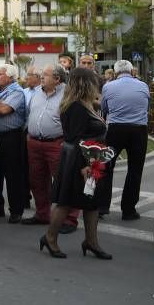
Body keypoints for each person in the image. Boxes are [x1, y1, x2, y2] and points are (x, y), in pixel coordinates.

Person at [40, 67, 111, 260]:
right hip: (81, 162)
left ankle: (91, 241)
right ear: (86, 84)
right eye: (94, 82)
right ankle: (50, 237)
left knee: (91, 202)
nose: (98, 85)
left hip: (89, 160)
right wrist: (85, 165)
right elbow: (77, 138)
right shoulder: (77, 107)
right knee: (66, 202)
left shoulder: (82, 104)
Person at [98, 60, 150, 221]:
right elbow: (147, 107)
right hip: (139, 130)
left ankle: (102, 206)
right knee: (135, 170)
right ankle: (128, 210)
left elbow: (104, 109)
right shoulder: (143, 85)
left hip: (116, 129)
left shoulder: (108, 87)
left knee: (106, 167)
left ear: (115, 73)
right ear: (131, 71)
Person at [23, 64, 69, 226]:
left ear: (57, 79)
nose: (41, 77)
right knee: (37, 180)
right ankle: (42, 214)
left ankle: (69, 220)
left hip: (57, 143)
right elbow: (30, 114)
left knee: (63, 181)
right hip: (35, 143)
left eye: (46, 75)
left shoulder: (68, 93)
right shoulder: (37, 92)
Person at [0, 63, 27, 223]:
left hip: (12, 137)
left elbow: (4, 110)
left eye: (1, 74)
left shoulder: (17, 91)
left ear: (10, 77)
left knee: (13, 175)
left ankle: (16, 210)